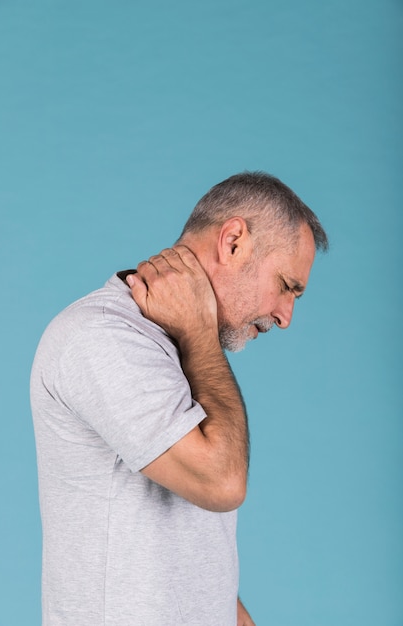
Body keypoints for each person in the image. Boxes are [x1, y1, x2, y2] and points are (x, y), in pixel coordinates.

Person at [30, 171, 328, 626]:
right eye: (287, 285)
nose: (286, 316)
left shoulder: (179, 349)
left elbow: (187, 541)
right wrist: (199, 335)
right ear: (233, 242)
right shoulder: (103, 335)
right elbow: (222, 483)